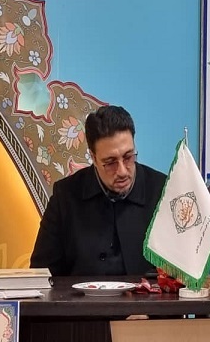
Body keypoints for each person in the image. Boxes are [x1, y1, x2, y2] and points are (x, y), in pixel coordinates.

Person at [30, 106, 166, 276]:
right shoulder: (65, 197)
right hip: (77, 294)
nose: (122, 171)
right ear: (93, 158)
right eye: (110, 162)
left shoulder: (162, 191)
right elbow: (41, 274)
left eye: (128, 157)